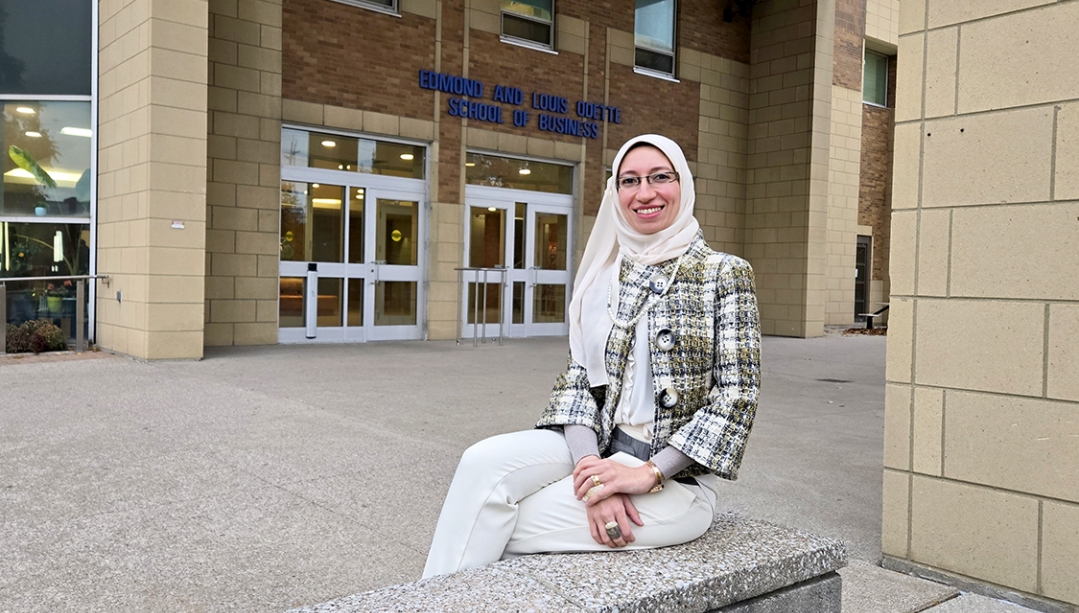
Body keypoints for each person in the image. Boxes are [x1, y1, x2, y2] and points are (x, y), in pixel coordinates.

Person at [422, 134, 760, 578]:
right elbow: (579, 379)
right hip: (598, 446)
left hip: (676, 480)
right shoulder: (604, 275)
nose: (645, 193)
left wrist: (646, 475)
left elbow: (738, 396)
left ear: (684, 183)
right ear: (615, 192)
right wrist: (592, 471)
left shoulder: (724, 273)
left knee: (492, 523)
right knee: (480, 464)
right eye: (629, 180)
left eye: (660, 177)